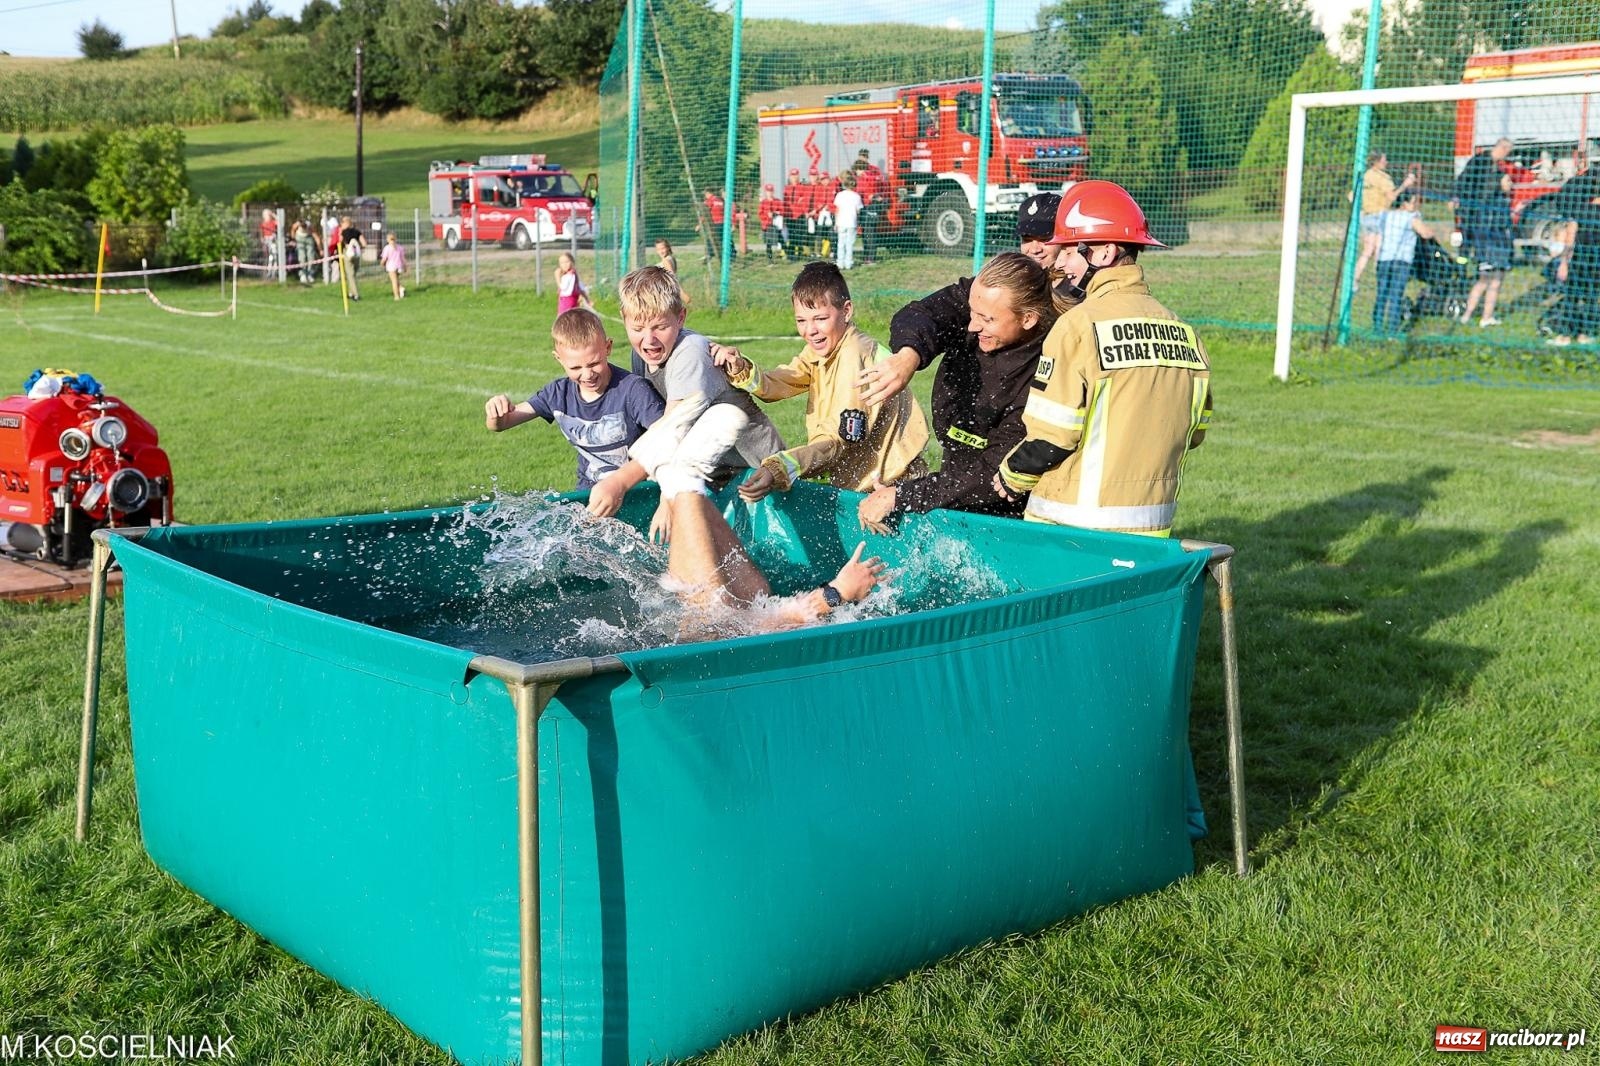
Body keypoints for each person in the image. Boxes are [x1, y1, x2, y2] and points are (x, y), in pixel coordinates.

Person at [994, 180, 1212, 539]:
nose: (1062, 263)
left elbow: (1053, 436)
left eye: (1069, 251)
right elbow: (1195, 432)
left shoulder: (1077, 326)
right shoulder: (1185, 332)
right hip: (1152, 532)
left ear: (1104, 253)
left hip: (1072, 531)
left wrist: (1010, 475)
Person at [856, 252, 1057, 531]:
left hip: (1011, 509)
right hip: (956, 469)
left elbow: (994, 476)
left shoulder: (1046, 371)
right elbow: (919, 314)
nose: (973, 326)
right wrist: (908, 356)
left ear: (1028, 319)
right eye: (971, 313)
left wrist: (902, 495)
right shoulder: (984, 298)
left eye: (986, 320)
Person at [586, 266, 785, 540]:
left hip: (757, 474)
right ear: (624, 318)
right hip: (714, 471)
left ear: (681, 317)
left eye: (660, 327)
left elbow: (673, 431)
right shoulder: (645, 353)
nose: (649, 339)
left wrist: (648, 493)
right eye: (637, 328)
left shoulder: (689, 353)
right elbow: (655, 424)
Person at [711, 261, 928, 504]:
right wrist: (740, 368)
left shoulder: (853, 357)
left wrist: (780, 467)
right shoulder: (824, 348)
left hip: (890, 490)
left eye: (820, 318)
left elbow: (838, 443)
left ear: (846, 311)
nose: (810, 331)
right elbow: (780, 382)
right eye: (801, 321)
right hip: (866, 486)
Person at [858, 192, 1063, 408]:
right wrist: (908, 356)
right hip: (965, 420)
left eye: (1046, 238)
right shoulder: (989, 290)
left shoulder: (1077, 304)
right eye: (1027, 239)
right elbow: (924, 313)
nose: (1034, 248)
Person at [484, 308, 665, 491]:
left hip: (637, 491)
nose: (587, 374)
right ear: (559, 359)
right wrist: (496, 411)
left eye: (594, 363)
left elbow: (668, 439)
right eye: (575, 367)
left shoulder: (633, 390)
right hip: (589, 494)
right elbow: (502, 424)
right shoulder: (557, 394)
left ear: (608, 347)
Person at [663, 491, 884, 640]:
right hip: (722, 635)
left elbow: (747, 627)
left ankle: (674, 478)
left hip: (719, 631)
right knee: (715, 623)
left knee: (721, 616)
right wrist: (835, 594)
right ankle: (676, 478)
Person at [1546, 171, 1600, 346]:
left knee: (1571, 297)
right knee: (1592, 297)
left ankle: (1566, 335)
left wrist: (1563, 262)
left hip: (1579, 258)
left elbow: (1570, 238)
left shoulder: (1579, 211)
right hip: (1596, 260)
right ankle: (1585, 334)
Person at [1371, 191, 1435, 335]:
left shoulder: (1385, 216)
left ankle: (1377, 328)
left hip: (1384, 259)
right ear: (1405, 204)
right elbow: (1425, 233)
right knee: (1396, 295)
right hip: (1401, 261)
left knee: (1381, 294)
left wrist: (1376, 258)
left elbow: (1378, 238)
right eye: (1413, 202)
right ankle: (1392, 330)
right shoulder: (1411, 217)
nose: (1415, 205)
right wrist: (1431, 230)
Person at [1459, 169, 1514, 327]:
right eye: (1507, 181)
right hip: (1496, 248)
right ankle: (1486, 317)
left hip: (1484, 248)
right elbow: (1502, 227)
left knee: (1482, 282)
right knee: (1495, 283)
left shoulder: (1485, 202)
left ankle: (1467, 315)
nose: (1511, 184)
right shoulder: (1500, 202)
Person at [1353, 152, 1416, 287]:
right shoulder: (1383, 178)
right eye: (1384, 160)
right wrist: (1405, 184)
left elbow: (1352, 196)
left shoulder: (1366, 175)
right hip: (1380, 216)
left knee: (1368, 250)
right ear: (1378, 162)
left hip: (1366, 215)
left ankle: (1355, 278)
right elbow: (1392, 196)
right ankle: (1381, 281)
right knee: (1380, 251)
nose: (1386, 162)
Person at [1014, 191, 1062, 268]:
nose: (1035, 250)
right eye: (1027, 240)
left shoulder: (1078, 278)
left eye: (1044, 239)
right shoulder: (1013, 277)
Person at [832, 172, 864, 271]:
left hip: (841, 221)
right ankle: (848, 263)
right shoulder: (857, 196)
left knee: (841, 243)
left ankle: (840, 263)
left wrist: (836, 222)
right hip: (851, 222)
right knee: (850, 244)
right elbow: (858, 210)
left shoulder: (840, 195)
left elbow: (837, 209)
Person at [338, 216, 365, 301]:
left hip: (347, 253)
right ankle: (351, 292)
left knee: (350, 274)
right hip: (356, 254)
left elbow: (340, 241)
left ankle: (356, 294)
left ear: (346, 223)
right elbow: (364, 243)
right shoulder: (357, 232)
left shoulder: (344, 232)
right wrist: (360, 248)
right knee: (353, 274)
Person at [758, 183, 786, 261]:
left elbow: (782, 211)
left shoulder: (777, 201)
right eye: (768, 191)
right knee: (768, 243)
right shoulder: (763, 202)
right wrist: (767, 216)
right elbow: (760, 214)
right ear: (765, 192)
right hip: (767, 226)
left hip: (776, 226)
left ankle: (788, 255)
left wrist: (775, 213)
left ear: (773, 192)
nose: (769, 193)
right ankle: (770, 259)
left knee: (781, 240)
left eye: (771, 191)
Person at [380, 232, 407, 301]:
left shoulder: (387, 248)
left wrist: (382, 263)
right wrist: (405, 266)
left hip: (391, 266)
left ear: (387, 240)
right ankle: (401, 288)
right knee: (396, 279)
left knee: (394, 281)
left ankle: (396, 296)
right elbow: (403, 258)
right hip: (399, 266)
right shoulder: (400, 247)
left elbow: (384, 258)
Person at [294, 220, 317, 286]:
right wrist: (293, 238)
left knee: (311, 256)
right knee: (302, 257)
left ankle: (310, 274)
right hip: (299, 238)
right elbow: (292, 230)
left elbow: (315, 235)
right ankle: (303, 274)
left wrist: (320, 248)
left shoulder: (309, 226)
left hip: (308, 238)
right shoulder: (297, 225)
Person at [259, 208, 279, 273]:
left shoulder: (273, 222)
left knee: (274, 254)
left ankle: (274, 268)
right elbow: (261, 233)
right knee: (270, 255)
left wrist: (273, 215)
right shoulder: (263, 224)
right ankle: (269, 268)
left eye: (268, 215)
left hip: (273, 239)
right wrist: (262, 239)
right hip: (267, 240)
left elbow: (279, 222)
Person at [323, 215, 341, 285]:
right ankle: (326, 278)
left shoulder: (333, 221)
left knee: (335, 262)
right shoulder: (324, 221)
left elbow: (335, 235)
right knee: (327, 261)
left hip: (334, 244)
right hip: (327, 242)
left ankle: (334, 279)